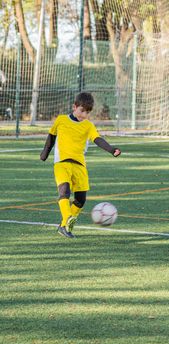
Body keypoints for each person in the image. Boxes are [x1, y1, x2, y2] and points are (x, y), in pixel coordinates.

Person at [40, 92, 121, 238]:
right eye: (82, 110)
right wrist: (44, 153)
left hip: (79, 165)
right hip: (61, 163)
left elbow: (97, 139)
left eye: (87, 112)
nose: (84, 115)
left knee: (80, 199)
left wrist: (111, 149)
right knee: (64, 192)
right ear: (74, 107)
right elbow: (51, 137)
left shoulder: (88, 126)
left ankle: (64, 226)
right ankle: (68, 219)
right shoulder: (61, 120)